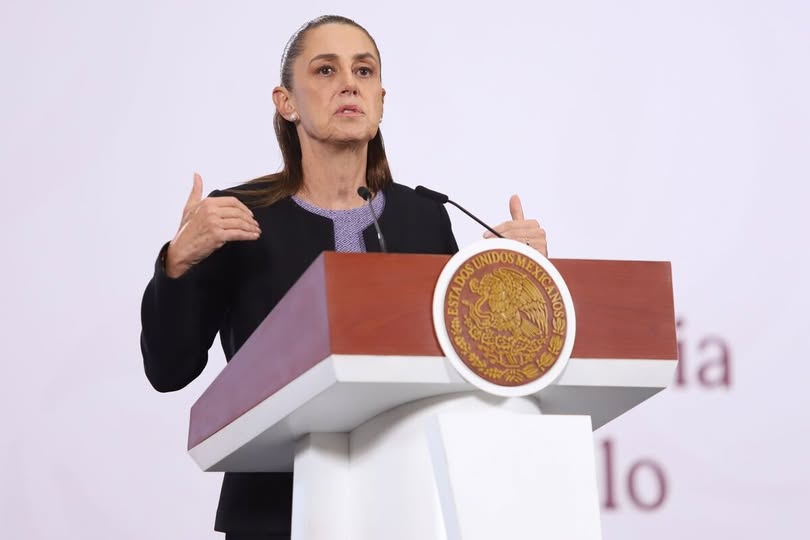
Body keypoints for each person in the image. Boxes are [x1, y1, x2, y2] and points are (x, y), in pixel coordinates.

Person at [140, 14, 548, 540]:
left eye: (364, 70)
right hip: (276, 509)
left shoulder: (424, 218)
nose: (349, 84)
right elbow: (168, 370)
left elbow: (461, 366)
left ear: (380, 100)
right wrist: (178, 261)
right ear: (286, 102)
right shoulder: (238, 216)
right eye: (326, 70)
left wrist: (507, 278)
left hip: (410, 505)